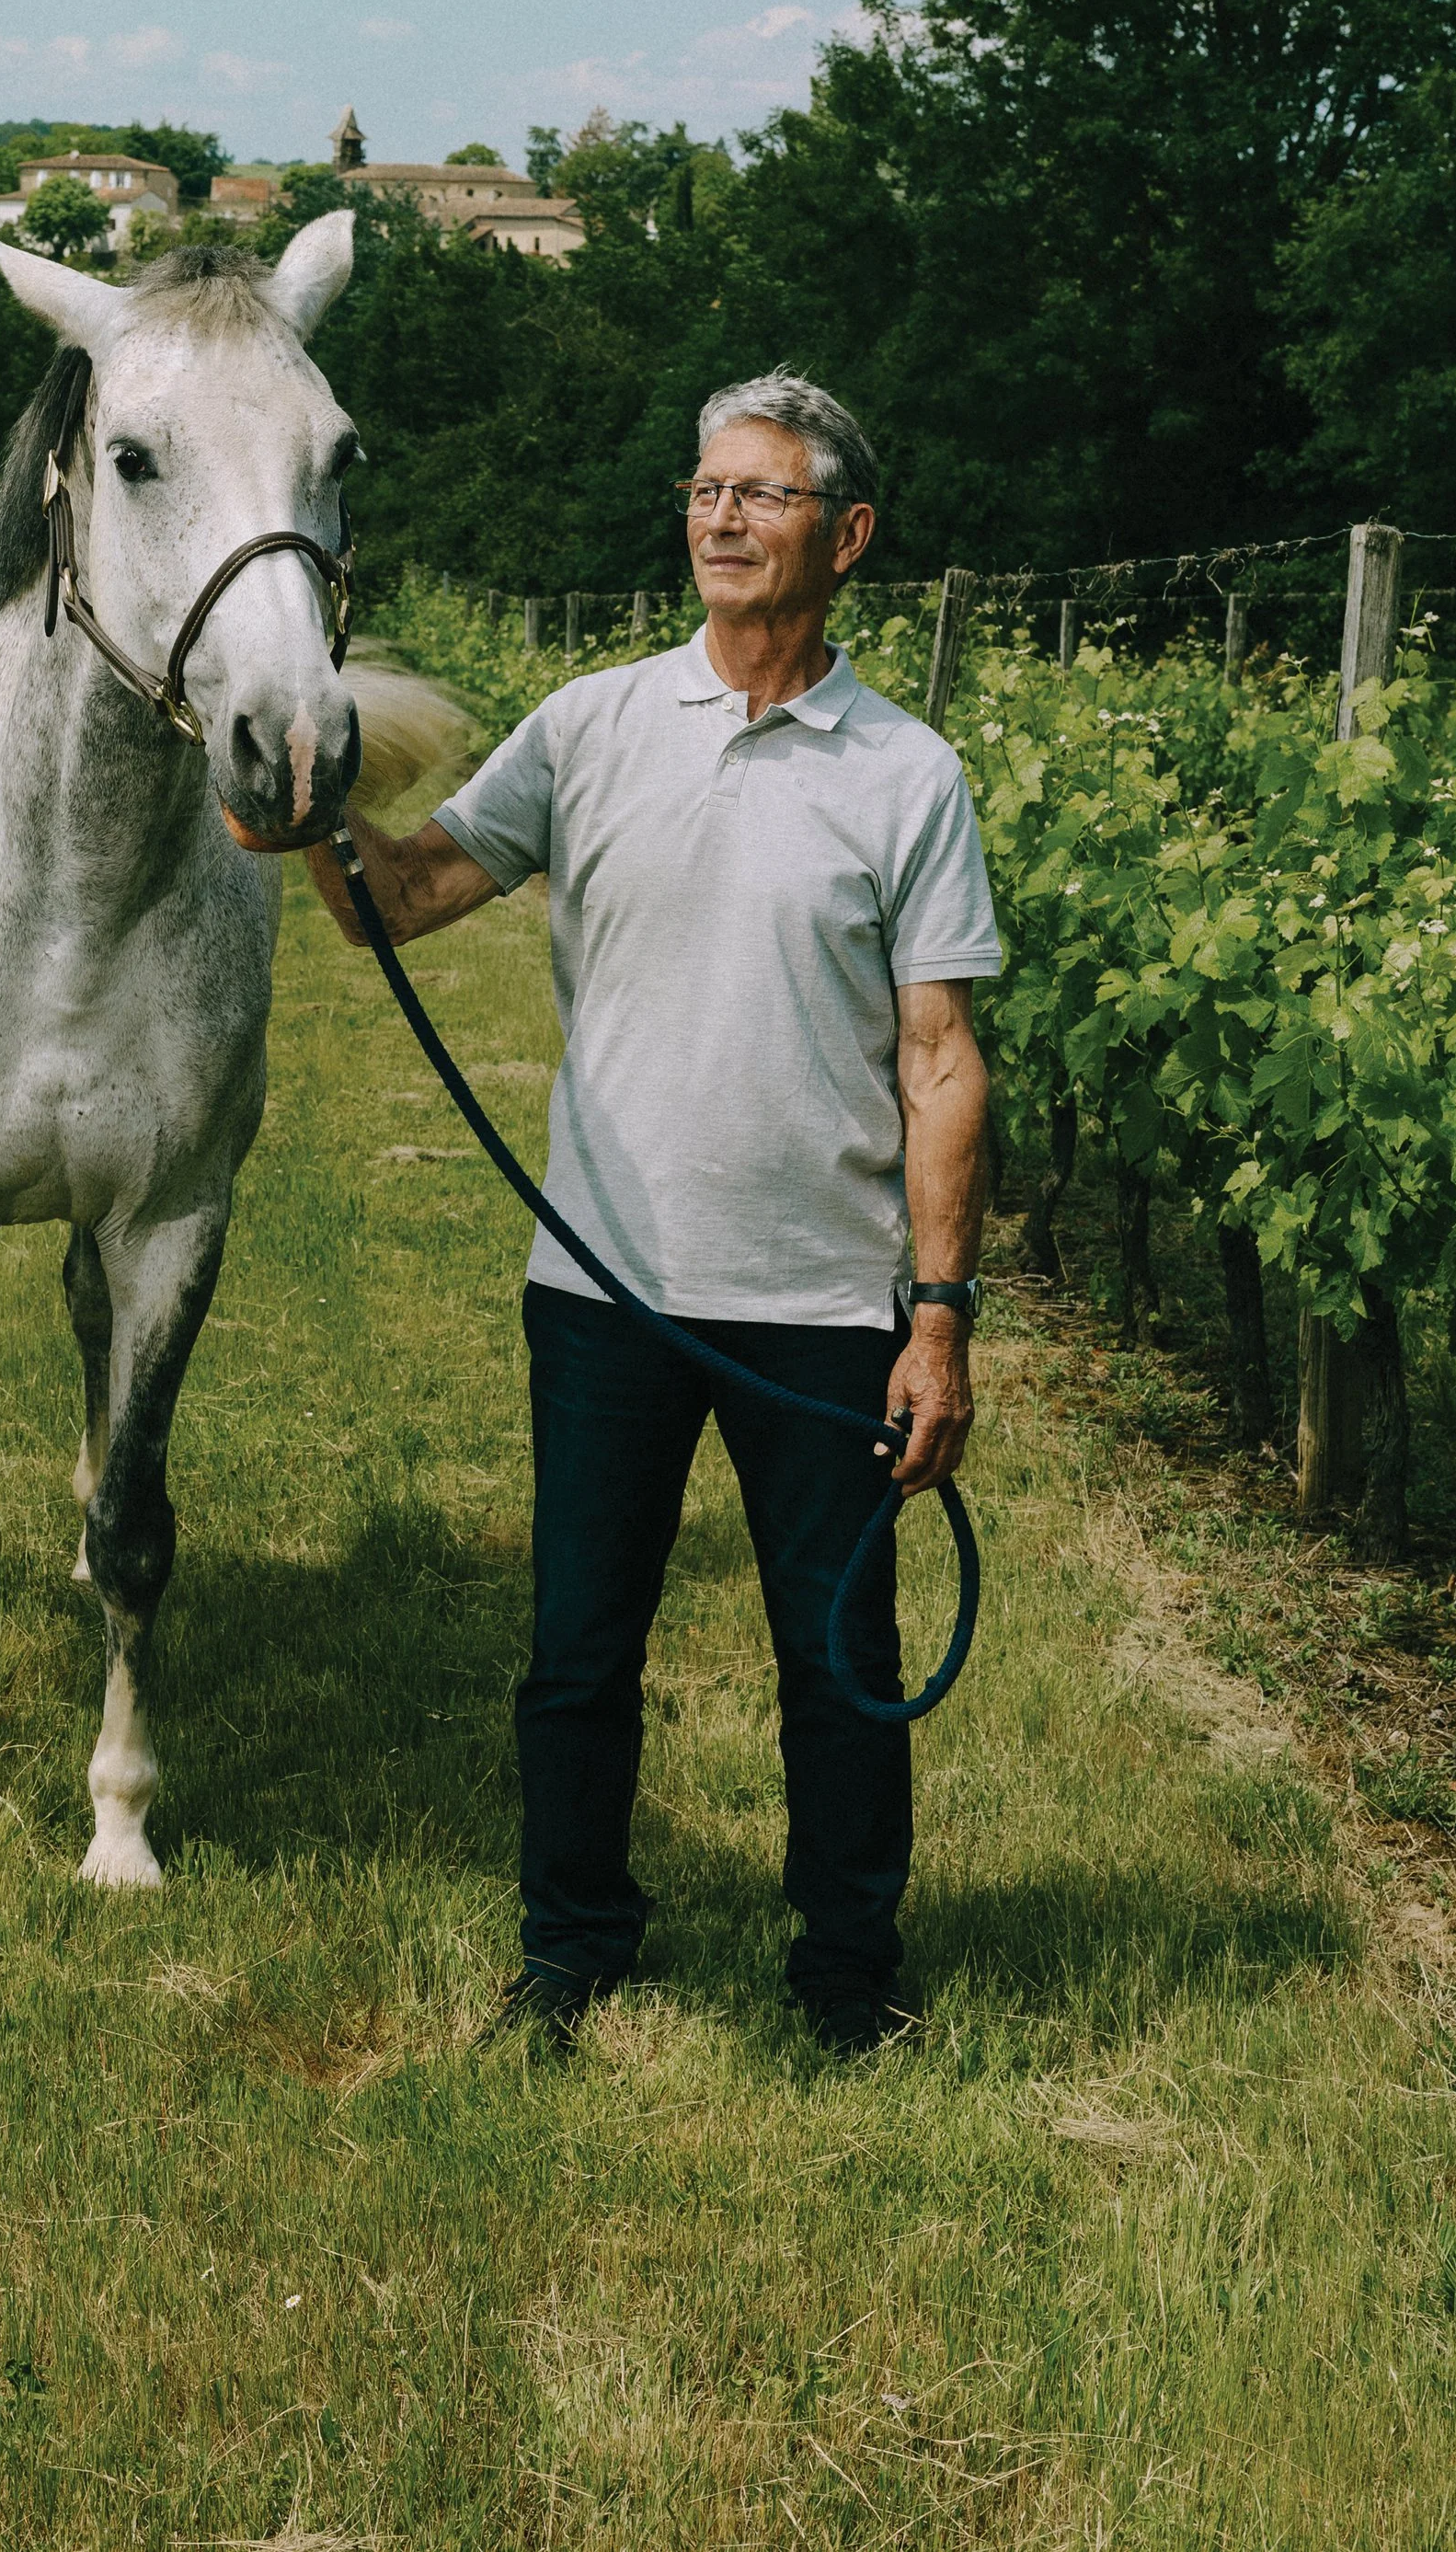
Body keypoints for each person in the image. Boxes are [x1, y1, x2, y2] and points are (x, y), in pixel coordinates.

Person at [306, 374, 998, 2056]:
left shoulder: (907, 775)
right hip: (604, 1284)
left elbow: (938, 1058)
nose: (717, 517)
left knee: (836, 1663)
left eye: (758, 495)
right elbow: (401, 898)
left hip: (824, 1304)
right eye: (703, 488)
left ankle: (845, 1979)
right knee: (576, 1653)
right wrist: (303, 804)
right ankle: (572, 1951)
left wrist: (934, 1318)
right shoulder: (591, 725)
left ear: (843, 536)